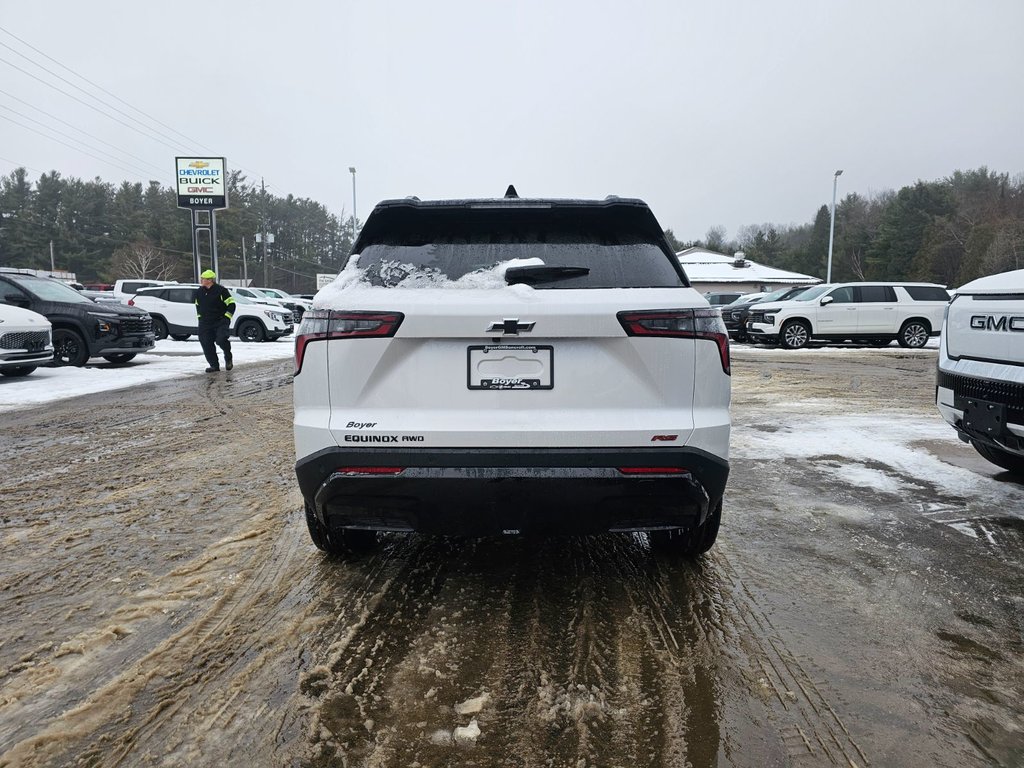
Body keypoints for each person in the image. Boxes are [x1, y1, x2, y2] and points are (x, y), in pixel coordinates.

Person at [194, 269, 235, 372]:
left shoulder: (221, 291)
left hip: (220, 321)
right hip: (205, 322)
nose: (201, 280)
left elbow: (231, 304)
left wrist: (226, 317)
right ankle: (214, 366)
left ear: (210, 280)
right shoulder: (199, 291)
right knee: (206, 343)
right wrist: (200, 318)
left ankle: (228, 356)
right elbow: (197, 305)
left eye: (203, 279)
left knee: (221, 340)